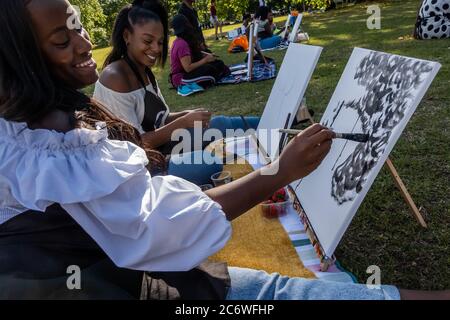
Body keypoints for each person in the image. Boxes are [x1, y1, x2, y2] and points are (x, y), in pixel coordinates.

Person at [1, 0, 450, 301]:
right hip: (109, 281)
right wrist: (276, 174)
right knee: (273, 286)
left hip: (103, 264)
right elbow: (153, 227)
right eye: (62, 40)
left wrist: (179, 123)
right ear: (18, 58)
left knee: (219, 135)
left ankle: (275, 129)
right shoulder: (48, 135)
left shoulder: (39, 114)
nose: (82, 45)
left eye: (78, 27)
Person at [93, 2, 257, 185]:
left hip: (163, 147)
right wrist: (184, 122)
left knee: (219, 123)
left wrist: (188, 114)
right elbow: (134, 145)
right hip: (141, 168)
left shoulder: (143, 70)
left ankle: (275, 123)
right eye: (148, 41)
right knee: (209, 164)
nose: (156, 48)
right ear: (126, 36)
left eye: (160, 42)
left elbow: (160, 119)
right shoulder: (115, 77)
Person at [170, 14, 229, 92]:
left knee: (218, 63)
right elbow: (188, 68)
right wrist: (205, 60)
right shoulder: (181, 44)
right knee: (210, 70)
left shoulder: (182, 41)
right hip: (181, 78)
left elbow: (191, 60)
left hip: (186, 74)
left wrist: (204, 55)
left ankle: (219, 73)